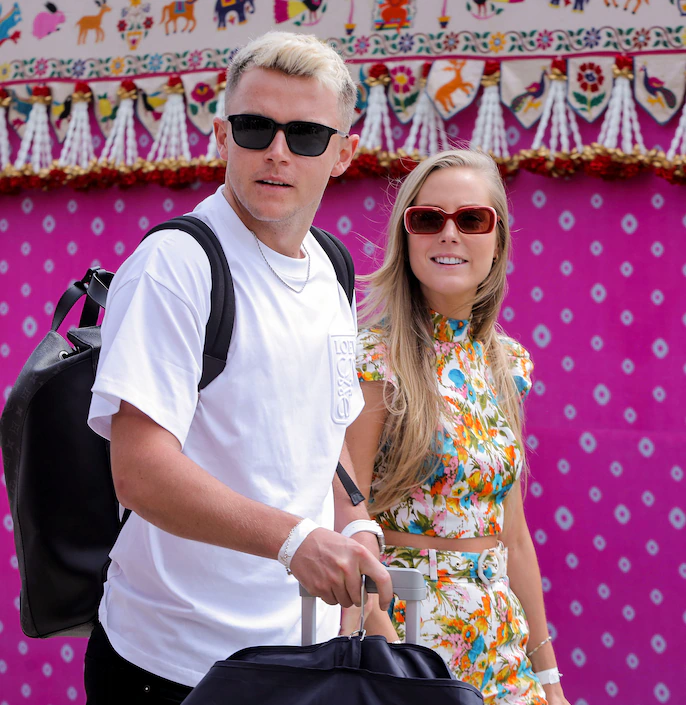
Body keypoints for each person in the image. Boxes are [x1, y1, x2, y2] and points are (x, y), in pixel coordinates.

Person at [84, 31, 392, 704]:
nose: (277, 152)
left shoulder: (332, 268)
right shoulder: (177, 265)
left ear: (344, 153)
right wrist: (294, 541)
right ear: (223, 135)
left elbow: (324, 432)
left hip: (292, 653)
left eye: (307, 134)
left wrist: (356, 522)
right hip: (169, 662)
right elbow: (139, 472)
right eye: (256, 128)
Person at [345, 150, 570, 705]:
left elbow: (513, 536)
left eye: (471, 219)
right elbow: (346, 518)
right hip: (414, 640)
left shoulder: (507, 364)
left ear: (497, 241)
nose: (449, 234)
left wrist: (549, 680)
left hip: (501, 643)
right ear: (407, 237)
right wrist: (386, 650)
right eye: (428, 219)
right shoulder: (373, 359)